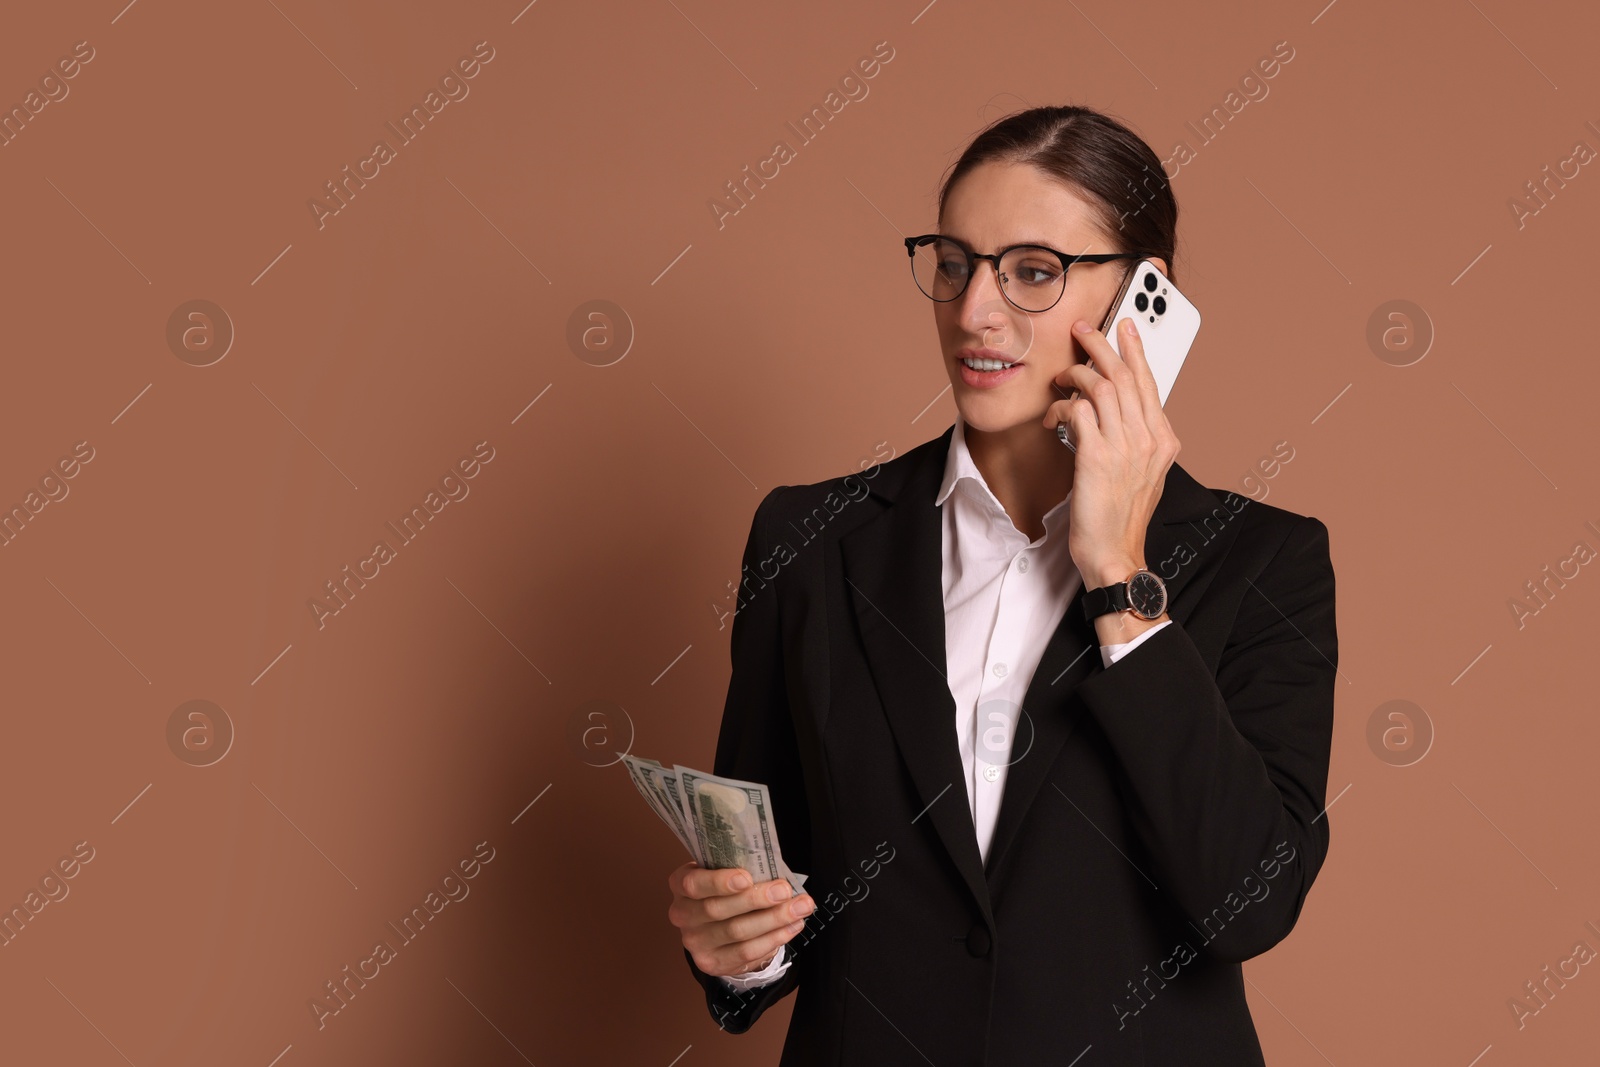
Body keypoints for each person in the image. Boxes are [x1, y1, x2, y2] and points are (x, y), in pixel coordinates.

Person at [664, 104, 1337, 1065]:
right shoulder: (807, 539)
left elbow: (1249, 900)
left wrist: (1118, 575)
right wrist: (736, 947)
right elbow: (777, 884)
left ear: (1143, 298)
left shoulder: (1264, 561)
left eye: (1031, 271)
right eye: (955, 262)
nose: (975, 310)